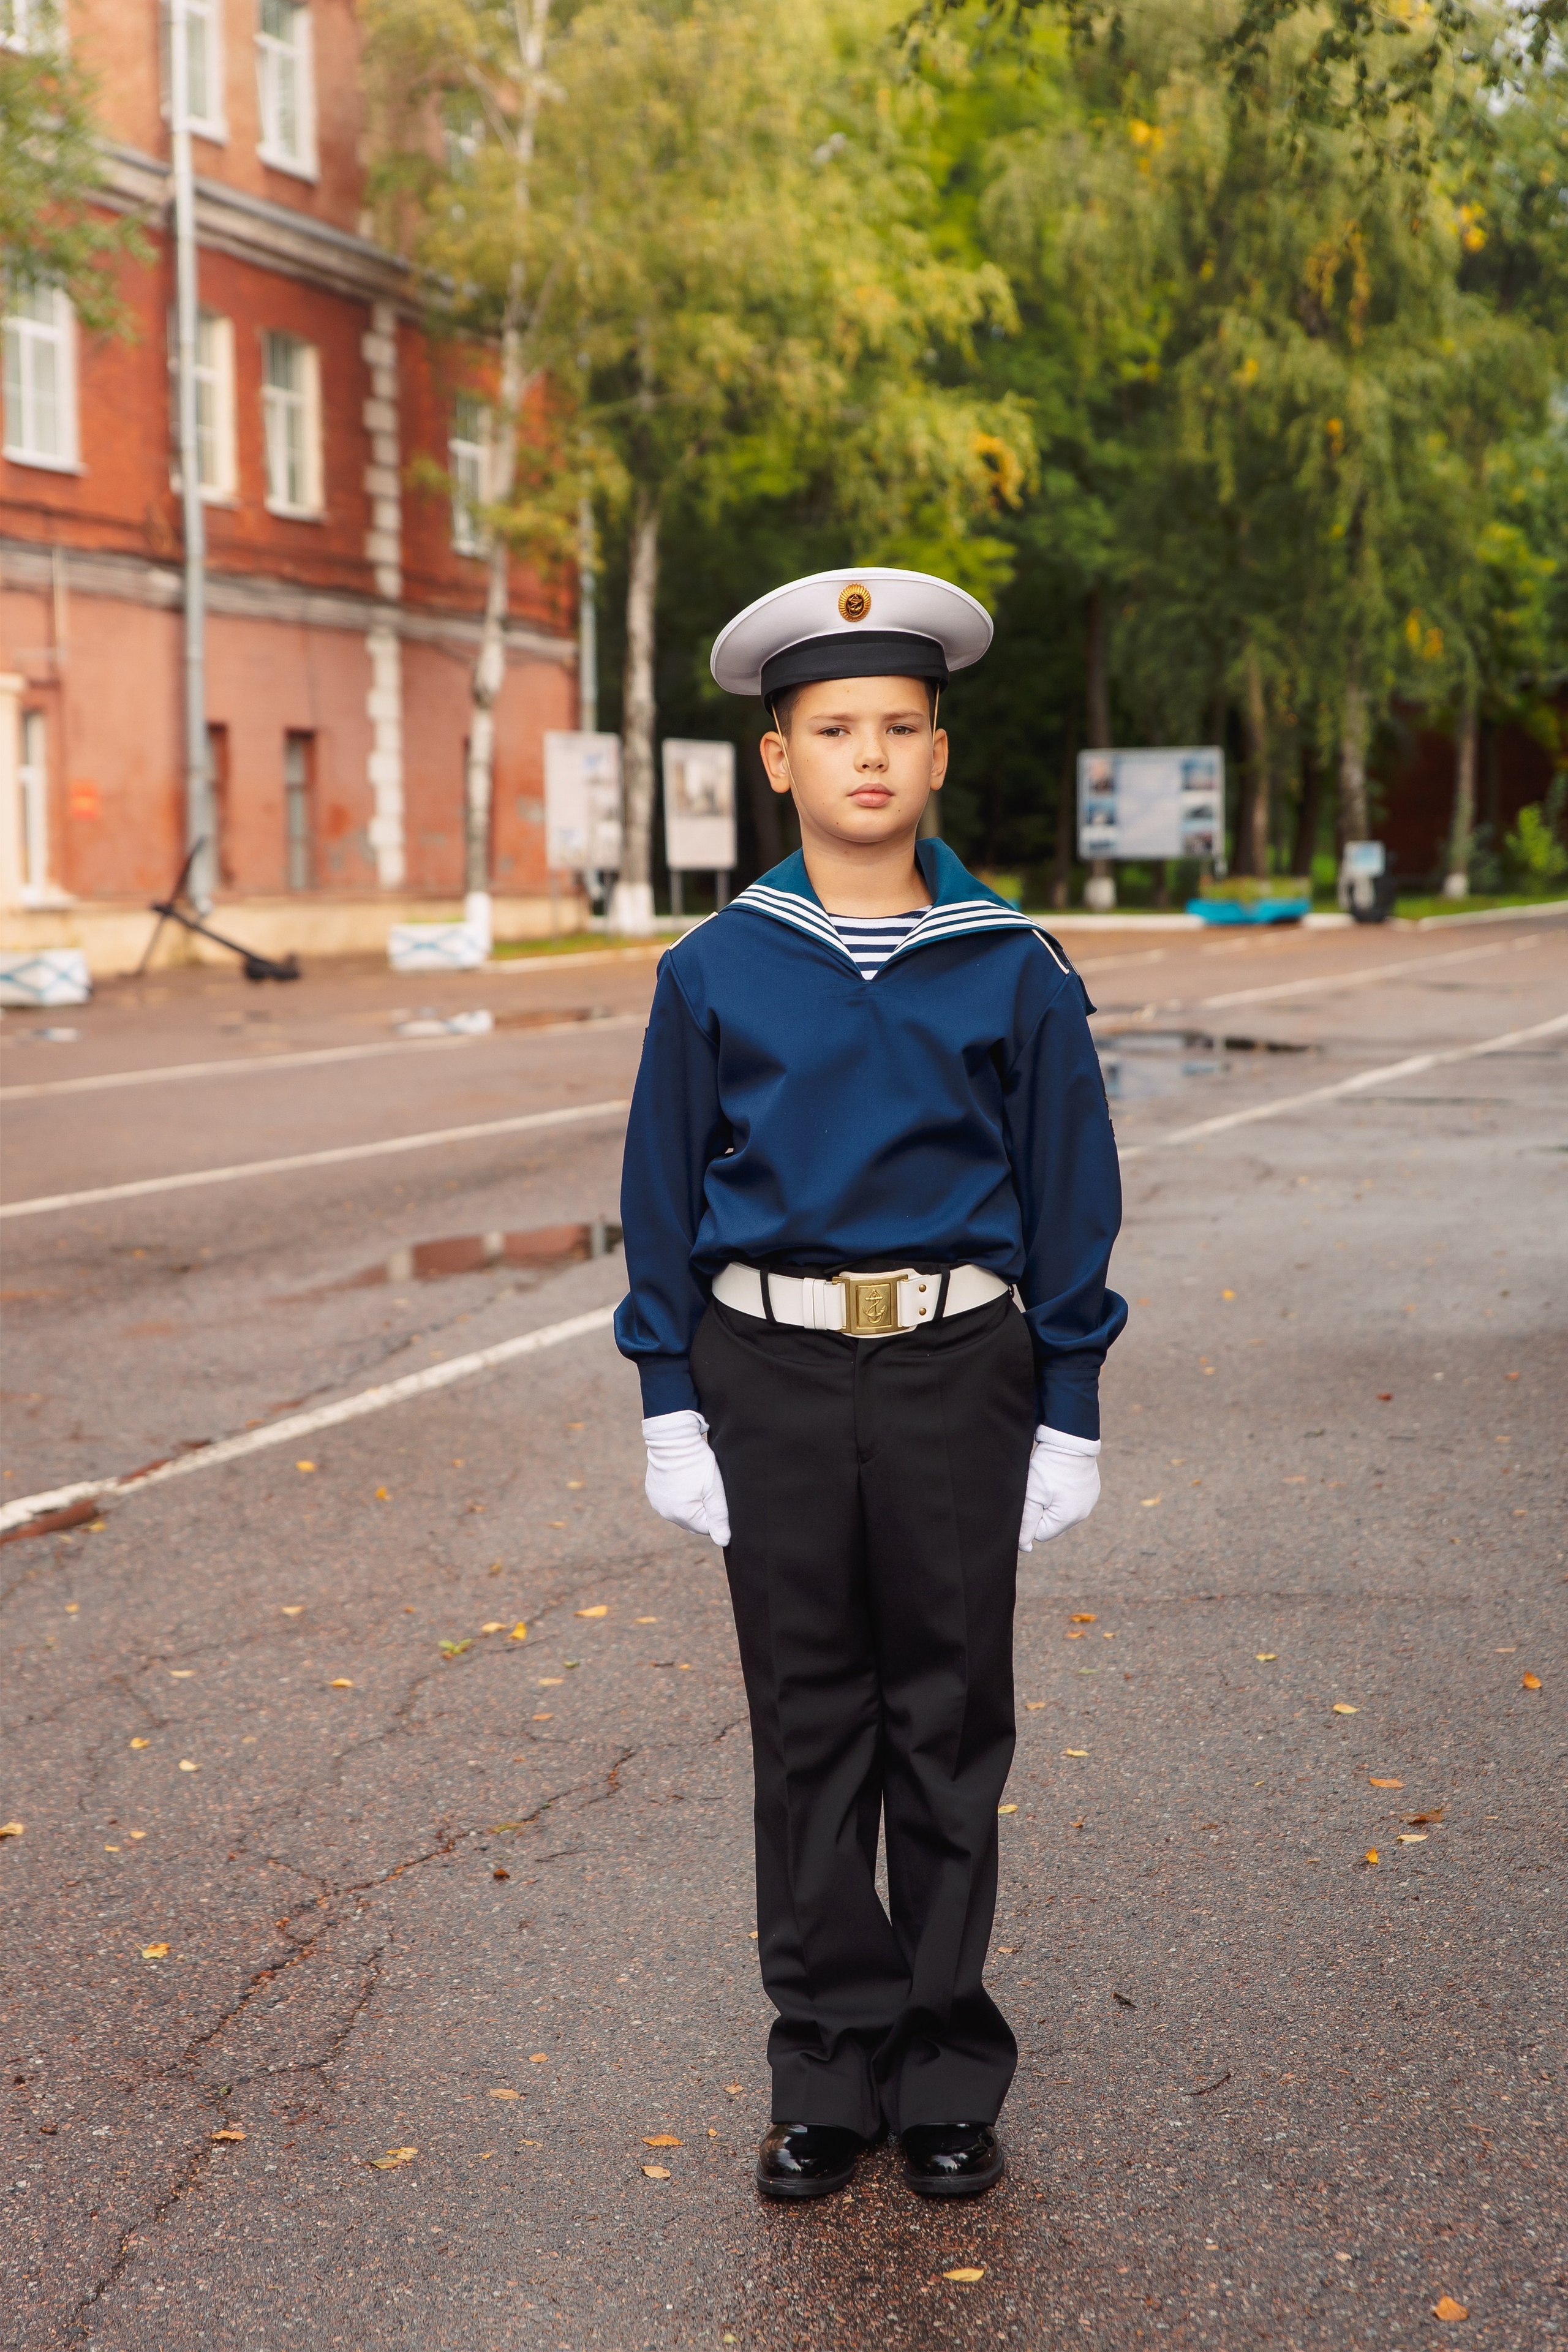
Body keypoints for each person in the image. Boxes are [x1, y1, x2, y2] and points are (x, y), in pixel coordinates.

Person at [614, 567, 1126, 2202]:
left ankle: (949, 2066)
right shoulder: (716, 971)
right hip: (763, 1371)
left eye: (899, 728)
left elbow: (1071, 1194)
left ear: (939, 756)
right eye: (833, 729)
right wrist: (666, 1401)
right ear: (779, 761)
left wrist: (1069, 1405)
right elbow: (657, 1192)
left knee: (949, 1727)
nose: (868, 756)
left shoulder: (1013, 967)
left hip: (958, 1371)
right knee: (809, 1728)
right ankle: (827, 2069)